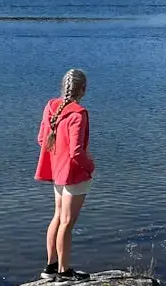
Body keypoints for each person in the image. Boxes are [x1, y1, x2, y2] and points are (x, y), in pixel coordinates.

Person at [35, 69, 95, 282]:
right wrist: (90, 167)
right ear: (84, 89)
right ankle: (64, 271)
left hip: (57, 171)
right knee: (67, 223)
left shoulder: (51, 106)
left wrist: (57, 157)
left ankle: (50, 267)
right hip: (74, 174)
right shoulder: (78, 113)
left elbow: (42, 140)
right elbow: (77, 151)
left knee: (58, 217)